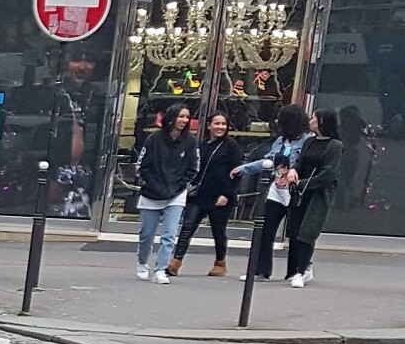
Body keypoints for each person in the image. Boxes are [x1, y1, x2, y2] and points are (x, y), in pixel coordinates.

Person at [239, 105, 310, 282]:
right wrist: (245, 169)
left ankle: (295, 271)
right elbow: (268, 161)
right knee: (264, 229)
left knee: (294, 232)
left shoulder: (307, 141)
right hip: (276, 189)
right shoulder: (280, 141)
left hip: (294, 190)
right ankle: (261, 270)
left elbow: (305, 163)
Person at [131, 104, 200, 284]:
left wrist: (180, 185)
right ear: (171, 117)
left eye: (187, 117)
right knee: (147, 234)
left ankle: (161, 269)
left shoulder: (191, 142)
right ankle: (142, 262)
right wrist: (150, 184)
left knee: (169, 234)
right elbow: (142, 166)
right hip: (152, 192)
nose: (184, 121)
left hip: (176, 193)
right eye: (181, 116)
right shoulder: (154, 139)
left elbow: (193, 167)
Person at [172, 109, 245, 276]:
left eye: (223, 124)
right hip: (198, 194)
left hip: (220, 196)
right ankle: (176, 261)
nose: (220, 127)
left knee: (218, 230)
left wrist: (226, 194)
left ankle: (220, 262)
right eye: (217, 123)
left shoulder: (231, 146)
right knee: (187, 227)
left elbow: (236, 172)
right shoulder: (202, 145)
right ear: (209, 126)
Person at [282, 110, 343, 288]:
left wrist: (303, 183)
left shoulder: (335, 146)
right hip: (301, 192)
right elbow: (301, 161)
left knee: (308, 231)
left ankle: (301, 271)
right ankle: (299, 269)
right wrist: (293, 170)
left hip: (318, 193)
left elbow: (329, 173)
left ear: (322, 121)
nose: (311, 121)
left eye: (314, 118)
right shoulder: (309, 141)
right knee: (295, 229)